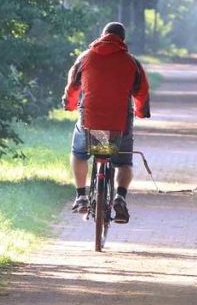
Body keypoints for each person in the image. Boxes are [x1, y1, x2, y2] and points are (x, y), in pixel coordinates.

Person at [62, 22, 150, 223]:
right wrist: (141, 112)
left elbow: (73, 86)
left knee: (79, 153)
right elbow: (142, 91)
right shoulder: (131, 62)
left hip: (90, 121)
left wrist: (69, 104)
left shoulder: (85, 58)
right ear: (123, 40)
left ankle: (81, 196)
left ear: (102, 36)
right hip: (119, 124)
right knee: (124, 163)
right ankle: (120, 197)